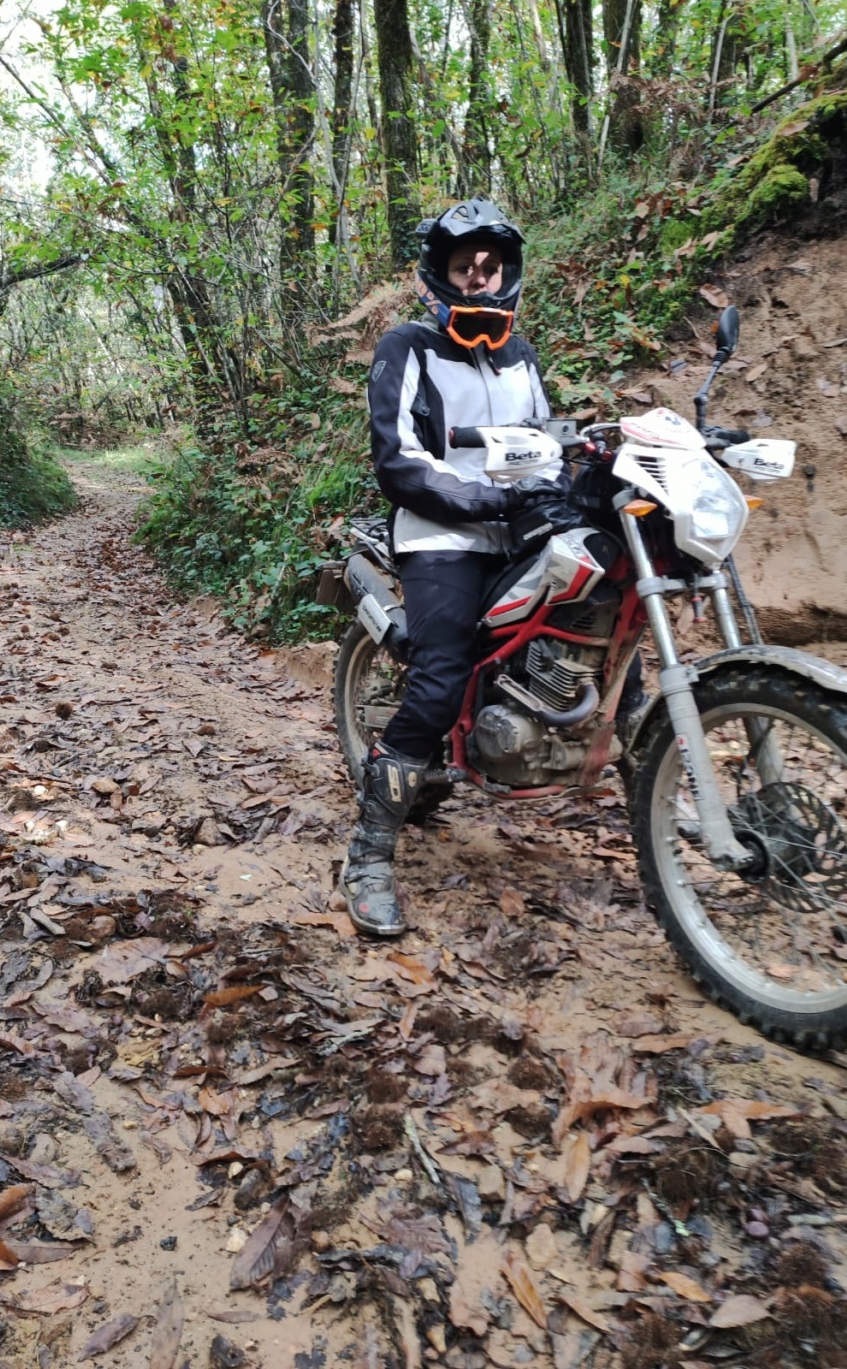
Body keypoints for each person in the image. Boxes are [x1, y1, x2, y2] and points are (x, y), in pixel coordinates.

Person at [341, 196, 580, 938]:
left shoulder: (524, 355)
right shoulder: (405, 347)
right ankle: (370, 854)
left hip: (516, 529)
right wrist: (484, 500)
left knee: (590, 621)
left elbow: (544, 442)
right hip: (437, 535)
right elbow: (398, 459)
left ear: (507, 272)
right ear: (439, 276)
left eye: (490, 266)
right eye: (463, 267)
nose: (479, 278)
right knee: (441, 675)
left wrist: (568, 480)